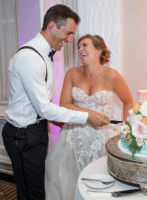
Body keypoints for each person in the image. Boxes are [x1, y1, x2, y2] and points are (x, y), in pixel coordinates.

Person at [2, 5, 110, 200]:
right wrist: (87, 116)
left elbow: (38, 104)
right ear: (52, 26)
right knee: (31, 191)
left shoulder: (44, 54)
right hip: (23, 135)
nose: (70, 40)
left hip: (35, 129)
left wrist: (54, 119)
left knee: (34, 187)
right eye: (68, 33)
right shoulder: (30, 58)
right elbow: (43, 107)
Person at [44, 34, 134, 200]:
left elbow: (128, 102)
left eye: (85, 45)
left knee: (101, 181)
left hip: (103, 137)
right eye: (78, 47)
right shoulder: (72, 73)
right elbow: (64, 104)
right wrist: (89, 114)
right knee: (66, 178)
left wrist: (125, 130)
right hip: (73, 135)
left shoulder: (112, 76)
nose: (80, 49)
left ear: (99, 50)